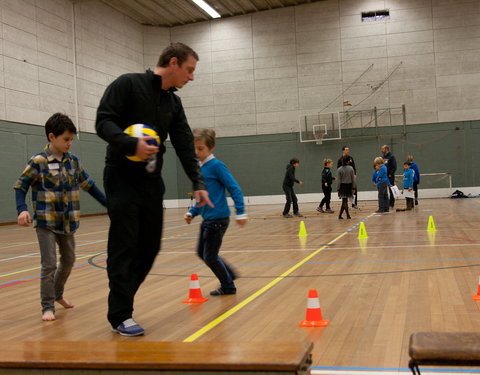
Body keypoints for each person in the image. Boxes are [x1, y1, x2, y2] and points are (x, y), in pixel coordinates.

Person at [95, 42, 212, 337]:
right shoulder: (128, 84)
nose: (191, 77)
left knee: (149, 247)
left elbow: (185, 145)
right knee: (124, 246)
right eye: (189, 70)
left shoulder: (173, 103)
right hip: (121, 178)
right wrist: (129, 143)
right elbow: (103, 121)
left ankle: (121, 300)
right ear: (173, 63)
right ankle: (121, 313)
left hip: (150, 183)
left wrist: (197, 182)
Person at [13, 113, 107, 321]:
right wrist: (22, 209)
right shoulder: (38, 161)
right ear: (52, 137)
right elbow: (21, 186)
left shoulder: (73, 162)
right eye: (66, 139)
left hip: (68, 222)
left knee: (69, 260)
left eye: (71, 139)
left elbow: (89, 185)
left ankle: (58, 294)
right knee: (49, 264)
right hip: (46, 223)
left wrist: (108, 204)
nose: (69, 143)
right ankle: (47, 306)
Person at [184, 128, 247, 296]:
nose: (196, 152)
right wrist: (192, 212)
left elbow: (234, 188)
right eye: (194, 148)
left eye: (201, 148)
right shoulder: (199, 169)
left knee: (210, 256)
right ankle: (230, 275)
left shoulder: (217, 166)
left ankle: (228, 287)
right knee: (202, 252)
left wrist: (240, 212)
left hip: (218, 219)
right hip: (208, 219)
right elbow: (202, 197)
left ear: (210, 148)